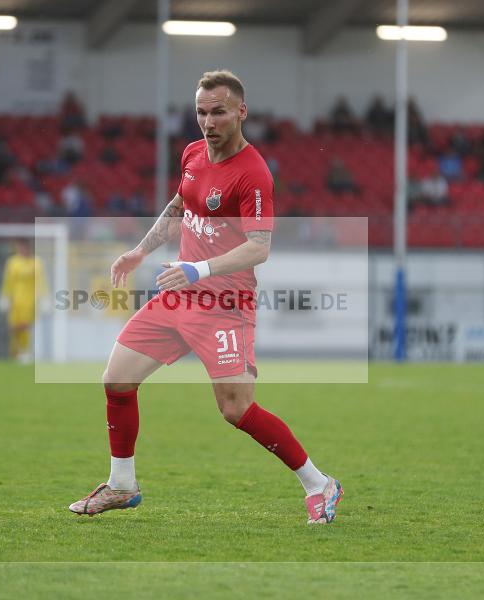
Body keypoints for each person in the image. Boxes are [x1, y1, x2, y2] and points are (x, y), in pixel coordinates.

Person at [67, 70, 343, 525]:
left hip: (224, 306)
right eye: (201, 112)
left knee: (236, 410)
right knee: (116, 380)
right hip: (179, 299)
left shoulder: (253, 174)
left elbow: (260, 246)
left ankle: (319, 483)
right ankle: (121, 485)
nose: (208, 122)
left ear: (241, 111)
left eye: (218, 112)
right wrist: (139, 251)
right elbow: (180, 206)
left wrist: (197, 268)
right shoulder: (193, 153)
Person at [0, 239, 51, 363]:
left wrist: (44, 298)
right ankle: (16, 352)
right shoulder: (12, 262)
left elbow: (42, 281)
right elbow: (8, 281)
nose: (22, 249)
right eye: (20, 247)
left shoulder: (36, 262)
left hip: (30, 300)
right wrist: (4, 296)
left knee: (25, 326)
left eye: (24, 247)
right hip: (15, 300)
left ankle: (26, 351)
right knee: (14, 327)